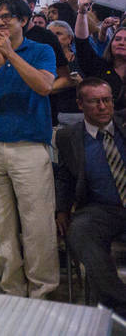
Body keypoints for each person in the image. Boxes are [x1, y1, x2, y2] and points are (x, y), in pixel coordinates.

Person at [0, 0, 58, 298]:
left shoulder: (41, 50)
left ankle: (42, 291)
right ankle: (12, 290)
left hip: (29, 148)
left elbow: (44, 86)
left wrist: (11, 55)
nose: (2, 21)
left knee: (38, 224)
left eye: (9, 16)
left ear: (24, 21)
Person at [55, 78, 126, 317]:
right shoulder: (67, 137)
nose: (103, 107)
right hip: (101, 208)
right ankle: (120, 303)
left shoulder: (123, 124)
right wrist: (61, 210)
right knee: (79, 231)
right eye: (94, 102)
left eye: (106, 100)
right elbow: (64, 176)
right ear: (80, 105)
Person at [47, 20, 84, 126]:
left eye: (58, 34)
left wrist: (81, 82)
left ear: (69, 38)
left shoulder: (81, 59)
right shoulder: (43, 61)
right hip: (50, 115)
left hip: (77, 114)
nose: (54, 38)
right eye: (50, 35)